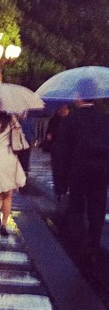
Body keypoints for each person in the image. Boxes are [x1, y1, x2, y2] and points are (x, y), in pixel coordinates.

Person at [54, 83, 109, 261]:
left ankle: (78, 241)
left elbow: (61, 151)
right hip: (101, 170)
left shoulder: (71, 119)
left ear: (79, 96)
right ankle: (93, 243)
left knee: (76, 207)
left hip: (77, 171)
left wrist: (60, 181)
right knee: (97, 208)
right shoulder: (105, 119)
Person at [43, 104, 70, 199]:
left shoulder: (55, 119)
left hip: (57, 149)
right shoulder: (68, 120)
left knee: (58, 170)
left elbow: (49, 135)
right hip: (63, 149)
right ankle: (62, 189)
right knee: (63, 170)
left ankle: (60, 189)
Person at [15, 112, 35, 194]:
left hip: (27, 141)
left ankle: (24, 172)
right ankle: (22, 172)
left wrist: (33, 139)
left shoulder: (29, 121)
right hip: (20, 142)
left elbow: (32, 131)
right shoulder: (17, 121)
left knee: (25, 158)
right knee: (21, 158)